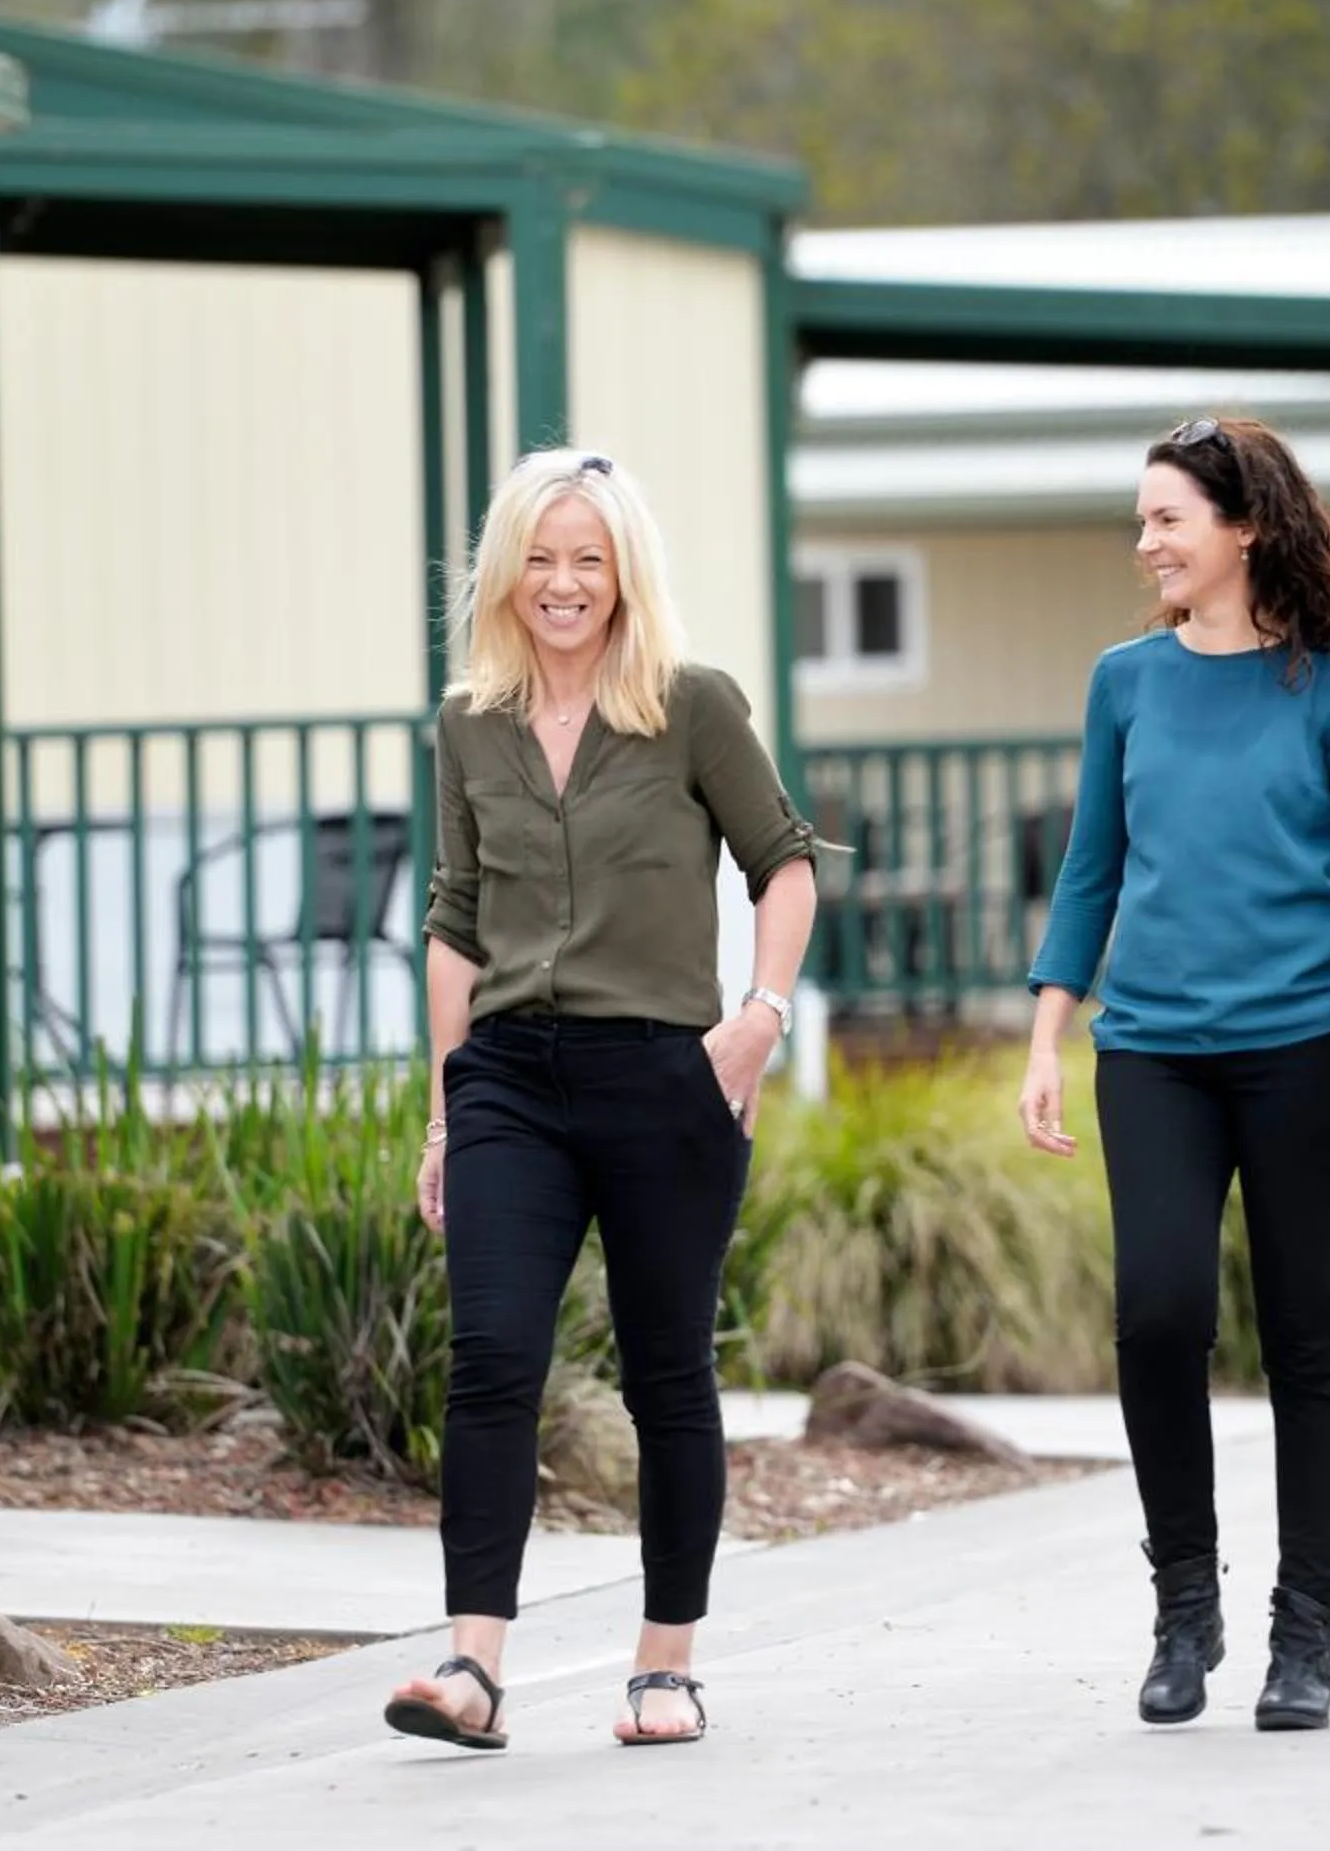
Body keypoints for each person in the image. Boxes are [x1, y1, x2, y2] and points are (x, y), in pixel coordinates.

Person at [382, 446, 820, 1752]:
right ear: (507, 571)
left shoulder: (690, 705)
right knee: (494, 1360)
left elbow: (784, 866)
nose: (563, 582)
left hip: (664, 1076)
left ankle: (667, 1666)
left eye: (589, 558)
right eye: (541, 556)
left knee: (666, 1374)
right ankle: (471, 1666)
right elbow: (457, 923)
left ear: (624, 573)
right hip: (511, 1075)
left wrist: (759, 1022)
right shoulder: (471, 721)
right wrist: (446, 1110)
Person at [1018, 415, 1330, 1734]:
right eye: (1140, 523)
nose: (1146, 545)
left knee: (1310, 1339)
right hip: (1153, 1054)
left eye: (1166, 521)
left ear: (1241, 527)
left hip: (1311, 1047)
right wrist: (1046, 1033)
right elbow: (1092, 870)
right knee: (1157, 1317)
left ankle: (1305, 1637)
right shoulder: (1123, 683)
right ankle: (1182, 1609)